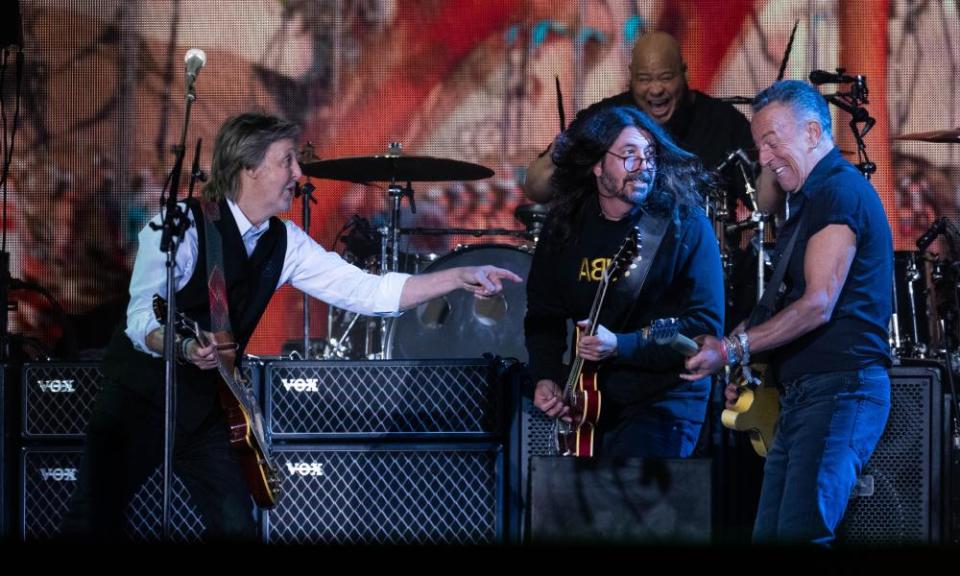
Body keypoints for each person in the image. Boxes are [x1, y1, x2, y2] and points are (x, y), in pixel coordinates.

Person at [61, 112, 521, 541]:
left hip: (208, 409)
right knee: (92, 520)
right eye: (287, 161)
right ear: (248, 168)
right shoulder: (180, 224)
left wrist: (457, 277)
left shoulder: (286, 242)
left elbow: (368, 292)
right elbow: (141, 319)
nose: (299, 174)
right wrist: (181, 347)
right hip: (140, 400)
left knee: (236, 529)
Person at [683, 80, 893, 545]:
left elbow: (818, 304)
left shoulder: (839, 192)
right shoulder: (810, 202)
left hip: (841, 389)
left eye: (774, 141)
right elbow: (778, 305)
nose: (765, 156)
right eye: (759, 145)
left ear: (814, 133)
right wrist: (737, 353)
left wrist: (733, 347)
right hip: (807, 396)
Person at [526, 105, 723, 458]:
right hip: (589, 401)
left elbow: (703, 327)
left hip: (664, 398)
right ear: (598, 165)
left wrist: (622, 344)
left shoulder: (684, 225)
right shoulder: (566, 227)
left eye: (649, 155)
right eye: (629, 155)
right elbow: (544, 315)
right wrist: (546, 376)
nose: (644, 166)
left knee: (627, 507)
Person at [523, 30, 753, 206]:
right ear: (631, 79)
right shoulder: (604, 120)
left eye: (665, 78)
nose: (655, 90)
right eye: (644, 79)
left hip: (705, 260)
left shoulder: (725, 123)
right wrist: (558, 155)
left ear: (685, 74)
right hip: (616, 260)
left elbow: (764, 201)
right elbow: (537, 190)